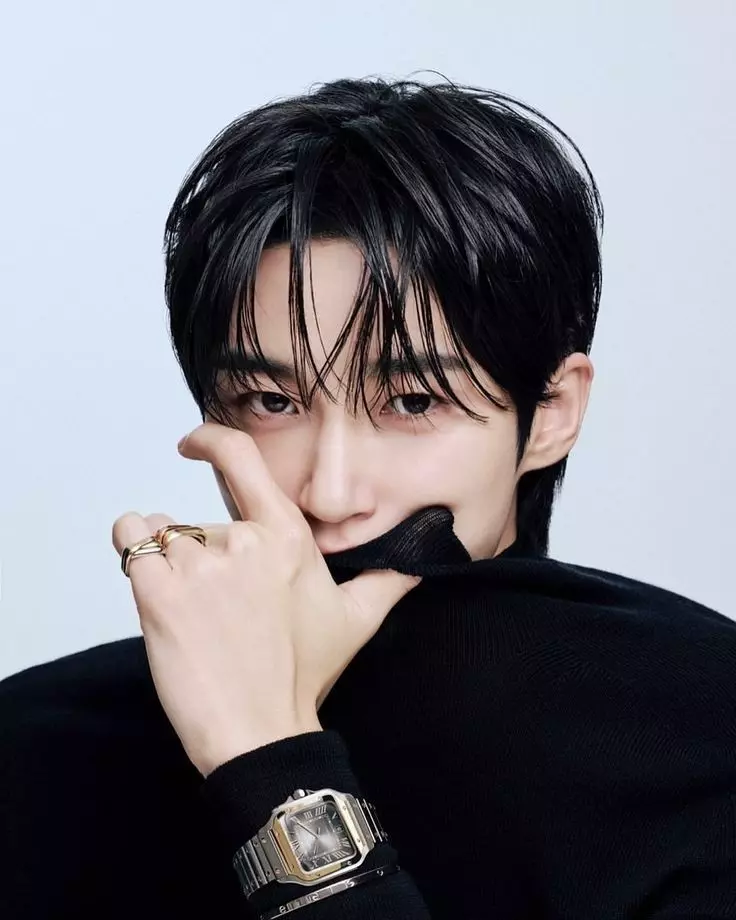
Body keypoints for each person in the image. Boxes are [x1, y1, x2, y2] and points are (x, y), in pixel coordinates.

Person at [1, 75, 735, 920]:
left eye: (413, 401)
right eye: (272, 402)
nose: (331, 493)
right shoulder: (38, 744)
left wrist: (269, 761)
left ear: (551, 413)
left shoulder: (698, 732)